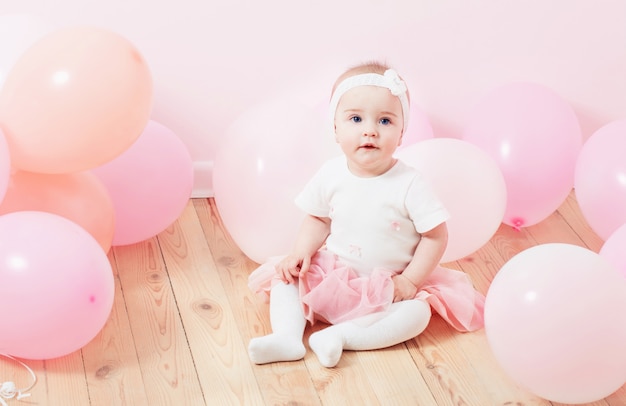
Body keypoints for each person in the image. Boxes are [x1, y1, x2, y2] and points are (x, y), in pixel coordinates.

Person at [247, 61, 485, 368]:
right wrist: (300, 252)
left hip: (387, 287)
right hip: (333, 277)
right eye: (356, 119)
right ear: (335, 128)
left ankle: (342, 337)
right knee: (284, 277)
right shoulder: (331, 174)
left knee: (417, 315)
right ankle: (287, 336)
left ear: (402, 134)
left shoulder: (410, 183)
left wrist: (411, 281)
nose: (370, 130)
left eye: (385, 121)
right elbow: (318, 219)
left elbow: (435, 236)